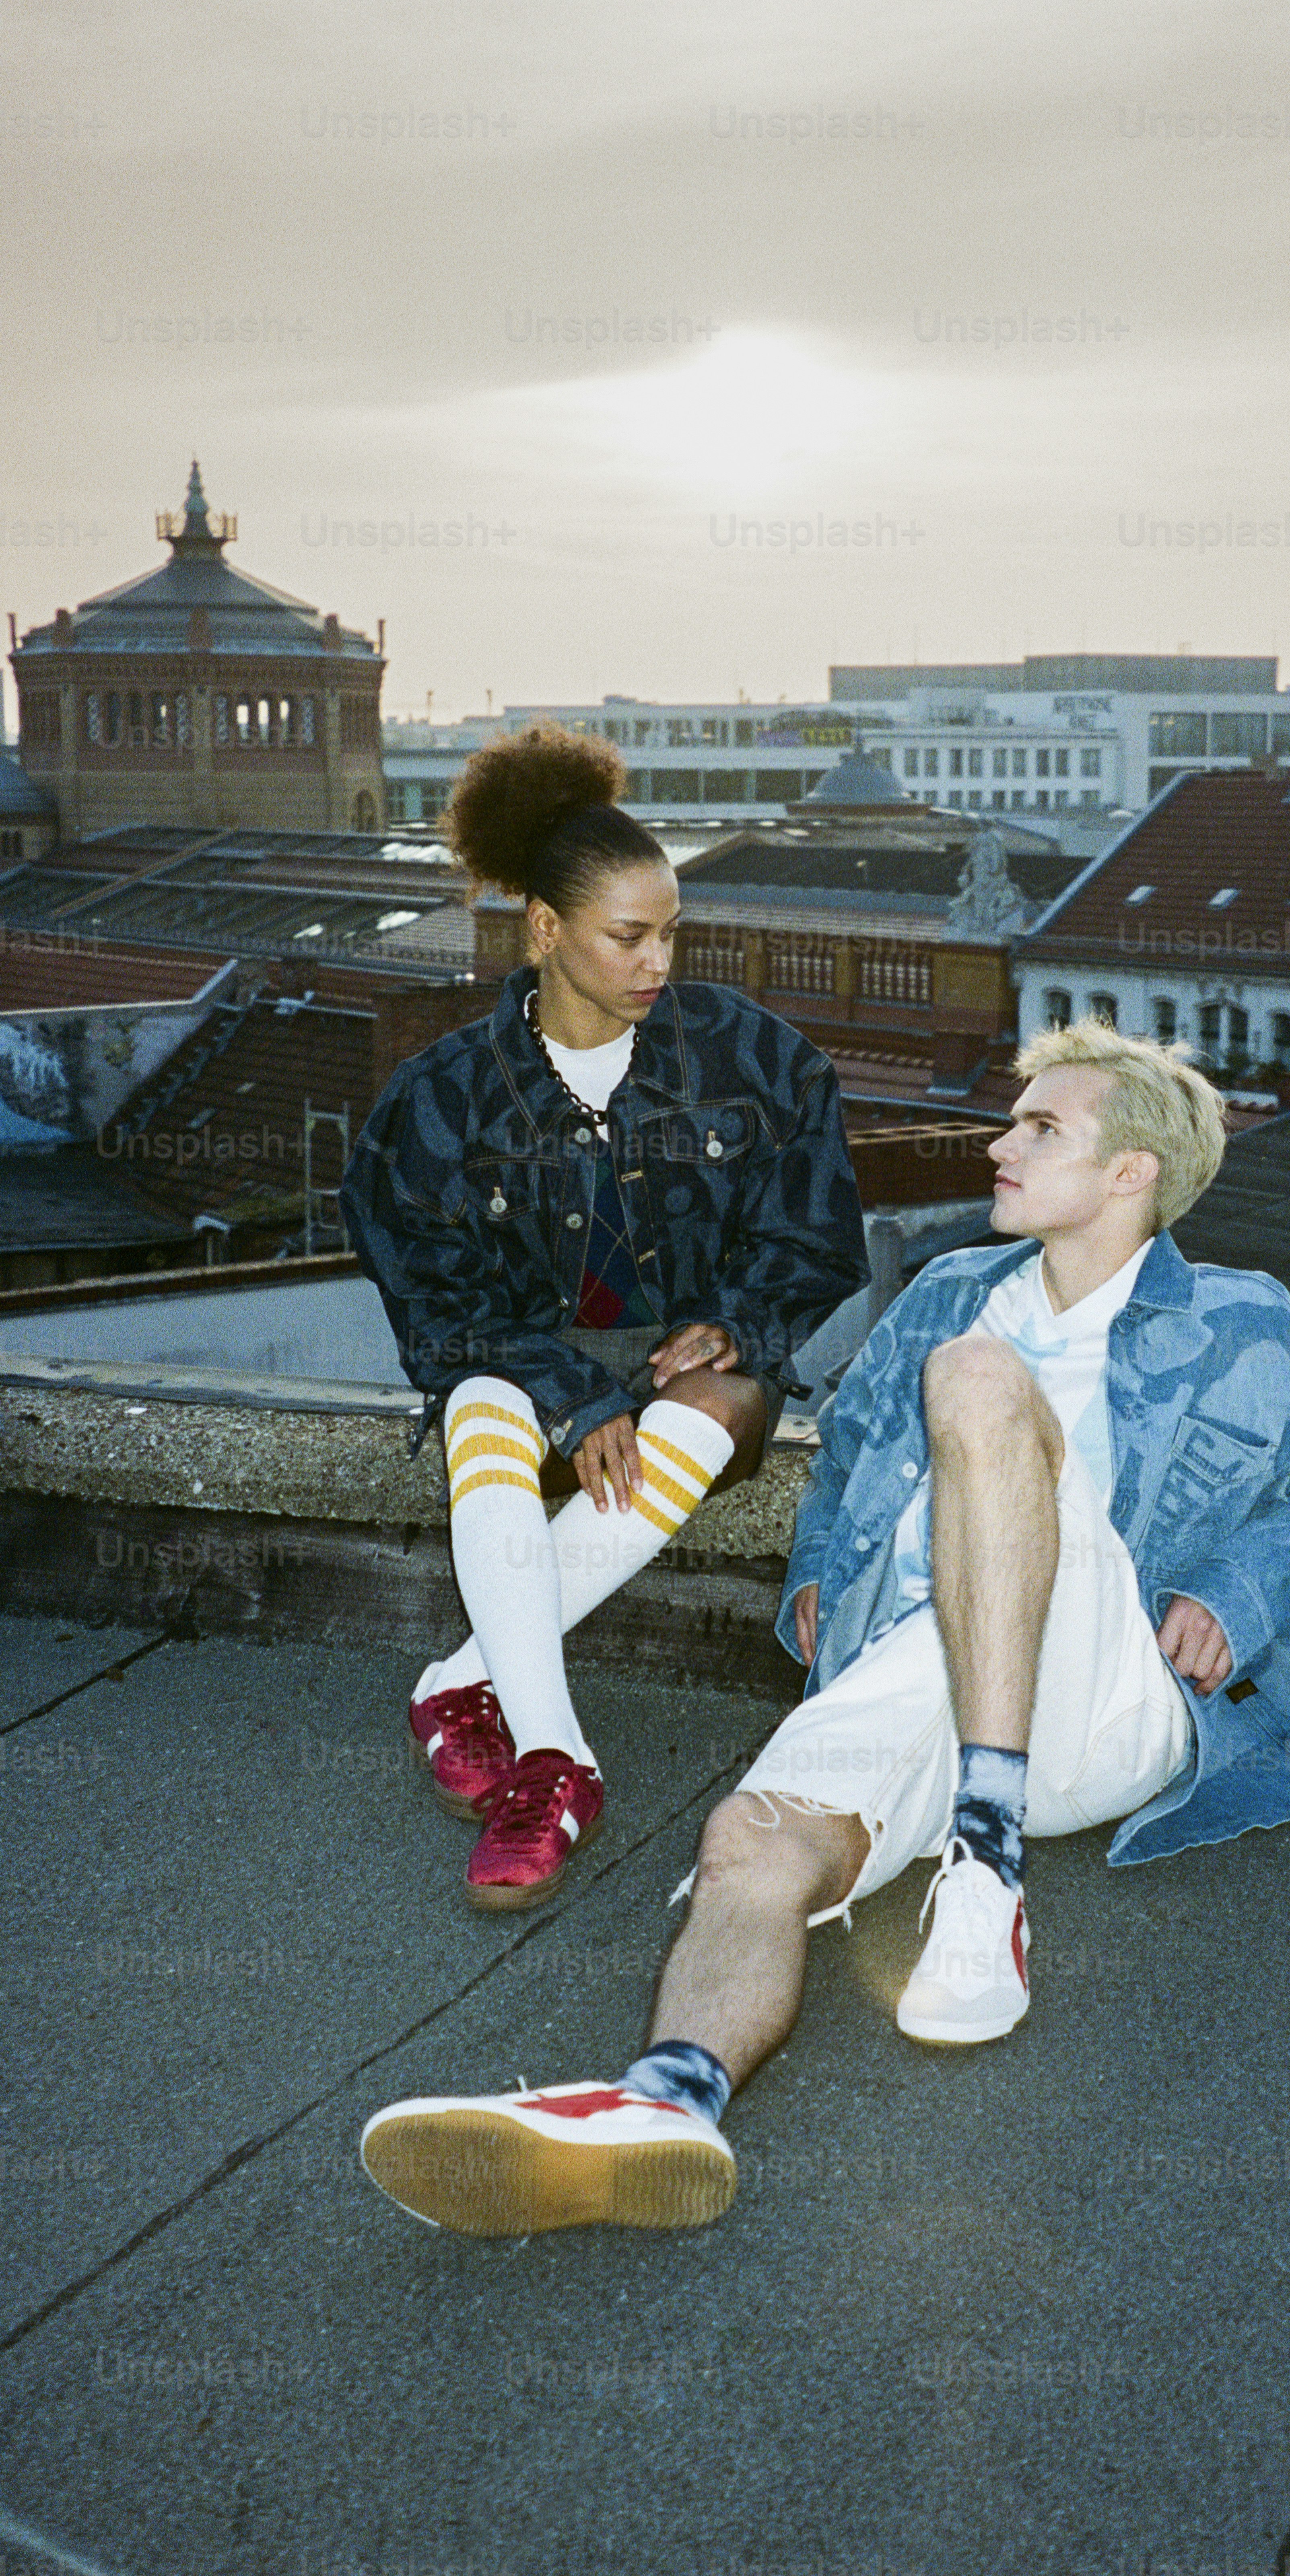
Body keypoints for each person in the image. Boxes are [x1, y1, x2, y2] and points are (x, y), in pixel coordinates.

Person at [358, 1020, 1290, 2234]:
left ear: (1132, 1174)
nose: (1000, 1145)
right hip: (922, 1657)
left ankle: (985, 1867)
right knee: (751, 1839)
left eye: (1041, 1129)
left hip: (1102, 1691)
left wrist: (1234, 1590)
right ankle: (667, 2099)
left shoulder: (1238, 1322)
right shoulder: (950, 1291)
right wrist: (816, 1565)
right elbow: (849, 1455)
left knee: (977, 1382)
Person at [340, 726, 869, 1909]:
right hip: (516, 1358)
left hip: (691, 1367)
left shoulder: (753, 1058)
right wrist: (570, 1393)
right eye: (628, 936)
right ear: (544, 930)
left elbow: (816, 1229)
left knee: (718, 1404)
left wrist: (734, 1321)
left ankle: (467, 1678)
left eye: (669, 931)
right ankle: (558, 1758)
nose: (657, 961)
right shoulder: (444, 1096)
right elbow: (434, 1298)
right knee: (481, 1401)